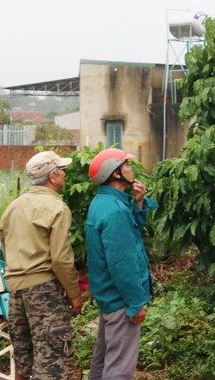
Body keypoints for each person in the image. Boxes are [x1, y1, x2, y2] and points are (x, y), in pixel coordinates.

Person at [0, 150, 84, 380]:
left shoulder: (12, 208)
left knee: (23, 361)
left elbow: (5, 246)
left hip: (15, 292)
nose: (65, 174)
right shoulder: (57, 208)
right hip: (45, 291)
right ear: (52, 176)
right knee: (53, 364)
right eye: (62, 170)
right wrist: (74, 294)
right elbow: (61, 259)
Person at [85, 147, 158, 380]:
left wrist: (137, 201)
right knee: (120, 369)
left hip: (108, 296)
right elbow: (122, 263)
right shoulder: (115, 211)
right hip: (121, 301)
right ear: (114, 173)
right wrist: (136, 302)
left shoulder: (103, 202)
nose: (130, 169)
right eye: (126, 165)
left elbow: (128, 233)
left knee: (103, 359)